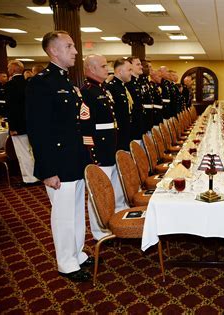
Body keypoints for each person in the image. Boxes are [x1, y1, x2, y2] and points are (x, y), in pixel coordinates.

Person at [26, 30, 93, 282]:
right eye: (69, 46)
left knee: (76, 211)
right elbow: (38, 130)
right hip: (57, 163)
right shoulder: (41, 83)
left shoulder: (65, 81)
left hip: (74, 159)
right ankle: (66, 263)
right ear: (53, 50)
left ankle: (76, 253)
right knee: (63, 214)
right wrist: (47, 169)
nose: (75, 51)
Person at [80, 54, 129, 241]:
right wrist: (93, 154)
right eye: (102, 66)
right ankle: (99, 230)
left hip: (111, 146)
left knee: (113, 187)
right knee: (99, 193)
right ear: (91, 69)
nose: (106, 70)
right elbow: (86, 127)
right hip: (100, 149)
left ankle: (115, 219)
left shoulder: (102, 90)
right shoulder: (87, 92)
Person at [5, 60, 39, 185]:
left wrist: (12, 127)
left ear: (13, 70)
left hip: (18, 124)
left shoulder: (10, 85)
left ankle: (29, 178)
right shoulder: (29, 83)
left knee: (23, 152)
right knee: (33, 151)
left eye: (9, 68)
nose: (8, 70)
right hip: (31, 123)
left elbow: (11, 108)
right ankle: (38, 174)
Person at [106, 58, 133, 151]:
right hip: (119, 136)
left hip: (126, 133)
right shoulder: (111, 87)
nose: (131, 73)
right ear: (120, 71)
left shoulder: (122, 87)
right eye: (129, 70)